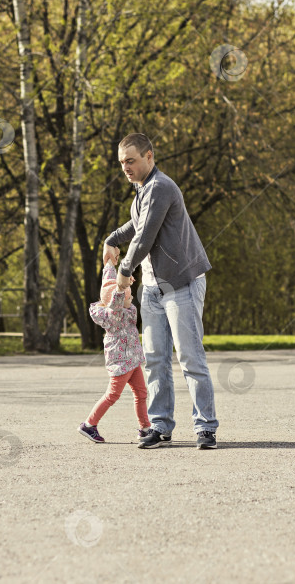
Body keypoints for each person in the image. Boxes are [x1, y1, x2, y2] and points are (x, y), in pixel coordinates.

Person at [103, 132, 218, 449]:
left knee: (190, 358)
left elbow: (145, 237)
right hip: (153, 287)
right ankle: (160, 426)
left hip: (182, 282)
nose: (126, 167)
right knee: (154, 359)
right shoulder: (140, 192)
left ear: (149, 157)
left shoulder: (161, 187)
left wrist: (124, 271)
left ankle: (205, 428)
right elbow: (134, 227)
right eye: (122, 162)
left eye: (131, 160)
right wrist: (112, 238)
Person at [77, 248, 150, 443]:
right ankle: (89, 425)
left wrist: (110, 263)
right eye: (128, 296)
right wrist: (121, 287)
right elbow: (115, 295)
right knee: (112, 395)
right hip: (120, 362)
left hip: (132, 359)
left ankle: (145, 428)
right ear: (118, 300)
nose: (131, 297)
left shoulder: (120, 307)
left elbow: (107, 283)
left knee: (141, 393)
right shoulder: (114, 314)